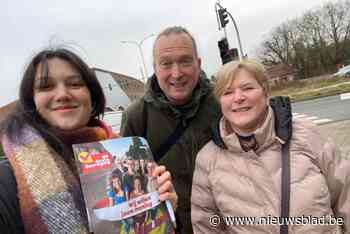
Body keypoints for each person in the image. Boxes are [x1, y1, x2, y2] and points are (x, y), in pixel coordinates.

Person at [0, 48, 177, 234]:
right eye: (46, 86)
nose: (62, 94)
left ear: (92, 96)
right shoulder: (8, 181)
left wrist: (166, 211)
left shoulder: (120, 149)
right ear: (31, 101)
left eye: (75, 84)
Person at [191, 59, 350, 233]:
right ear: (220, 101)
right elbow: (207, 226)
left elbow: (345, 197)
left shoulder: (307, 135)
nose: (238, 98)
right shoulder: (208, 160)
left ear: (265, 92)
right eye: (228, 92)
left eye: (247, 88)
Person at [120, 26, 221, 233]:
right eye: (166, 64)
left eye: (185, 61)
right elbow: (129, 189)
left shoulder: (221, 104)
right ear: (155, 69)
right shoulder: (136, 117)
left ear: (198, 64)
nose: (176, 73)